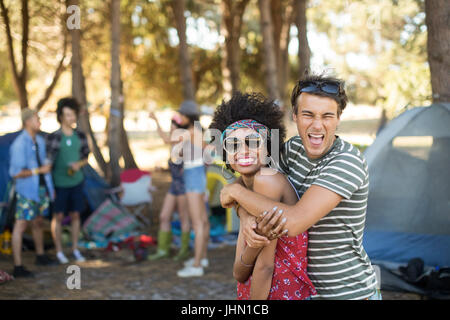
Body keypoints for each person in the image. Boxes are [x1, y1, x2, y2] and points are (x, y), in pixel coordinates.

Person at [220, 74, 380, 300]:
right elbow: (250, 175)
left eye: (327, 116)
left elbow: (293, 222)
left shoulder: (346, 162)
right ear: (294, 116)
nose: (317, 125)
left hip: (346, 293)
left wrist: (234, 193)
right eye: (308, 114)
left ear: (338, 118)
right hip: (302, 290)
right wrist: (245, 214)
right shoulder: (293, 149)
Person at [209, 92, 316, 300]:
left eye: (252, 142)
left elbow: (265, 267)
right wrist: (252, 239)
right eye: (233, 145)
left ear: (268, 148)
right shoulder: (247, 192)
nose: (243, 150)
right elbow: (238, 273)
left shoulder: (267, 181)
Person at [9, 108, 58, 278]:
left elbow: (44, 165)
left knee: (38, 221)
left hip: (41, 189)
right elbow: (15, 172)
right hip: (27, 192)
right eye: (37, 119)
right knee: (21, 225)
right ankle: (18, 266)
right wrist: (38, 170)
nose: (40, 122)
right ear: (27, 121)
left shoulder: (39, 140)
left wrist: (50, 187)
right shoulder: (19, 144)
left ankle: (40, 255)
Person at [46, 97, 89, 264]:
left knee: (76, 215)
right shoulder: (54, 137)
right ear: (61, 116)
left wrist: (79, 164)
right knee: (58, 216)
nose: (71, 118)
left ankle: (75, 248)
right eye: (68, 115)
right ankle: (59, 251)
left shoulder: (80, 135)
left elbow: (86, 156)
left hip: (77, 182)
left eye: (73, 114)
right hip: (59, 184)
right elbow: (48, 162)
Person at [147, 110, 191, 262]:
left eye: (174, 126)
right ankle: (163, 250)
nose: (172, 129)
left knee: (184, 218)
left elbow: (166, 139)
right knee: (164, 216)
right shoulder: (174, 144)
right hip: (174, 185)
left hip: (184, 186)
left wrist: (155, 121)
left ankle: (183, 250)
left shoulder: (183, 141)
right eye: (171, 126)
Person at [175, 100, 210, 278]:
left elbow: (169, 141)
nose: (179, 118)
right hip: (198, 175)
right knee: (202, 220)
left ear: (187, 116)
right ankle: (202, 258)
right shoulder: (197, 131)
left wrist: (158, 123)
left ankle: (196, 265)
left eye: (180, 115)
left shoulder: (190, 132)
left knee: (197, 223)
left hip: (193, 177)